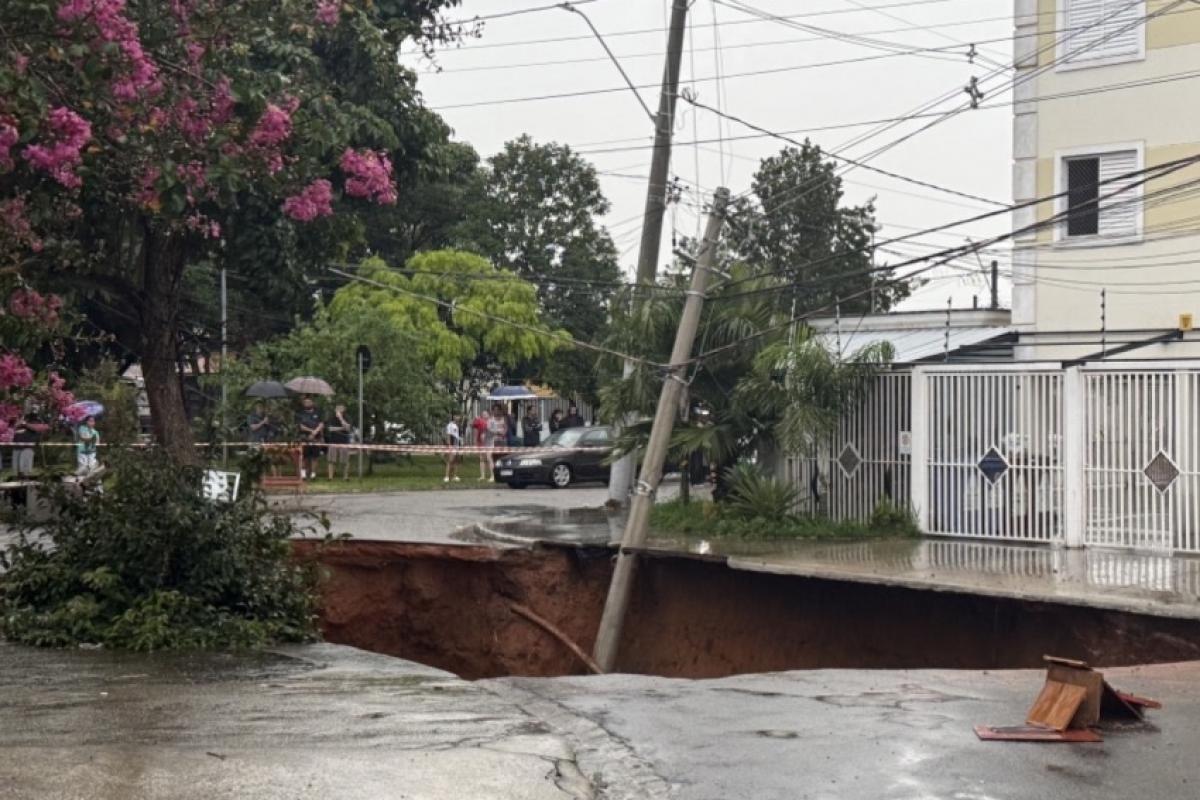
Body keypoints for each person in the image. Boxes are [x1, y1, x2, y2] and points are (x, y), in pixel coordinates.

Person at [12, 405, 47, 477]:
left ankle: (26, 480)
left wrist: (25, 424)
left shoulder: (38, 420)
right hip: (17, 446)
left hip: (28, 446)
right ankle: (18, 480)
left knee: (25, 469)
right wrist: (17, 425)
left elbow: (38, 428)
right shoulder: (20, 419)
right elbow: (13, 430)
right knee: (16, 469)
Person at [295, 395, 324, 480]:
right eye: (305, 402)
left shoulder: (318, 412)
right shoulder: (300, 413)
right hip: (304, 437)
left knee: (315, 457)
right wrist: (311, 431)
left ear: (312, 403)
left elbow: (321, 424)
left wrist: (315, 432)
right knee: (304, 457)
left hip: (316, 438)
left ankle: (313, 475)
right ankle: (304, 475)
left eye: (309, 402)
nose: (307, 403)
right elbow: (300, 426)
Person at [325, 403, 354, 481]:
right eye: (337, 408)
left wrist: (341, 418)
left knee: (345, 460)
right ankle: (330, 477)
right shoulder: (331, 417)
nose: (338, 410)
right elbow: (330, 429)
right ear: (335, 409)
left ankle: (345, 477)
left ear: (344, 409)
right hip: (333, 440)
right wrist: (342, 428)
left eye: (340, 408)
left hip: (344, 440)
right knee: (331, 460)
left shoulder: (347, 417)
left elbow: (348, 428)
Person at [485, 403, 508, 480]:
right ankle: (492, 475)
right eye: (495, 410)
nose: (496, 411)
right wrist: (497, 432)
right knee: (492, 458)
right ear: (492, 411)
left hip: (502, 441)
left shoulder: (503, 419)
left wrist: (504, 433)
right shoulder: (490, 420)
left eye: (498, 410)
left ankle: (502, 475)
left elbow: (505, 428)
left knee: (502, 458)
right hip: (493, 441)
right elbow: (489, 429)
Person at [471, 410, 490, 481]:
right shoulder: (480, 421)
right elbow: (472, 426)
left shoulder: (490, 422)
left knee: (489, 459)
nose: (484, 415)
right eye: (483, 414)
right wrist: (475, 419)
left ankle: (492, 475)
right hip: (481, 443)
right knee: (482, 459)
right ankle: (482, 476)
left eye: (486, 414)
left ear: (488, 415)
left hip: (488, 443)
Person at [443, 414, 462, 483]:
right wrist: (449, 445)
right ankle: (447, 476)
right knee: (450, 461)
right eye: (456, 416)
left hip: (457, 445)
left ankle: (454, 476)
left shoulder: (458, 425)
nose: (458, 417)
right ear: (454, 417)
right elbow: (448, 435)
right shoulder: (450, 425)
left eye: (459, 416)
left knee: (456, 461)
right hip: (452, 445)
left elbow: (459, 435)